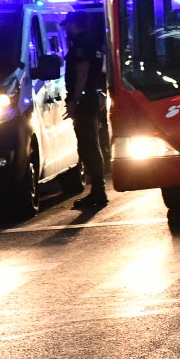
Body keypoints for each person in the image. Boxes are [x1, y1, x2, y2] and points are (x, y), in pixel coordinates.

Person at [63, 11, 109, 211]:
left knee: (88, 145)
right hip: (92, 98)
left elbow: (82, 72)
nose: (66, 29)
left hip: (85, 100)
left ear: (75, 24)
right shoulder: (92, 42)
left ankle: (98, 192)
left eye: (68, 25)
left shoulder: (81, 44)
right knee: (90, 144)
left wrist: (74, 99)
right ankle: (98, 191)